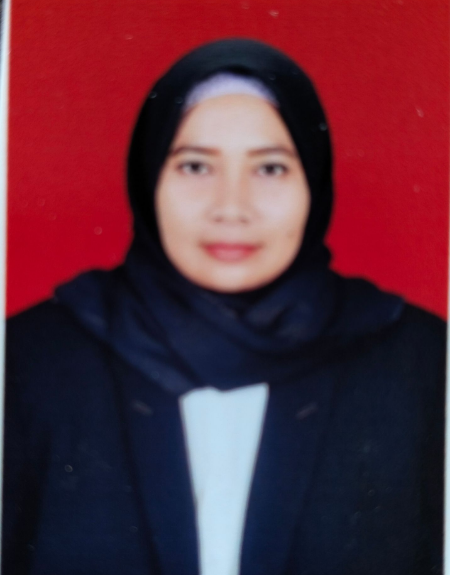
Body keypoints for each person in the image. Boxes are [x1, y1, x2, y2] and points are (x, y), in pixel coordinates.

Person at [2, 38, 445, 575]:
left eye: (270, 169)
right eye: (195, 166)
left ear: (314, 181)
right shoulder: (29, 361)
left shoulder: (421, 363)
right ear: (148, 178)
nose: (231, 207)